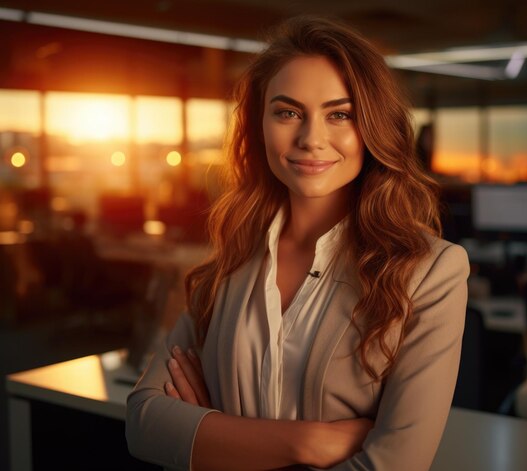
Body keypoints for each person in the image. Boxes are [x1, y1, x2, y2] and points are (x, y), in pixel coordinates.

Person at [126, 15, 469, 471]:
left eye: (339, 114)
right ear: (259, 124)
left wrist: (214, 437)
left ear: (371, 128)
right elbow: (145, 424)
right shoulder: (231, 259)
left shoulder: (431, 271)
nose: (311, 139)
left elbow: (393, 466)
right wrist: (308, 443)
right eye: (287, 112)